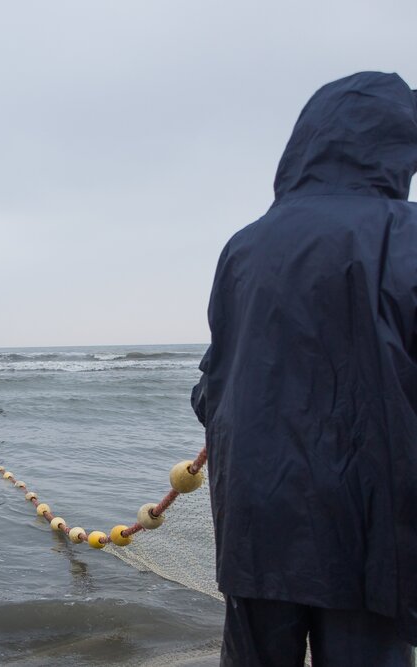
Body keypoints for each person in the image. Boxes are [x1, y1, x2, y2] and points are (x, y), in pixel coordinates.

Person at [191, 72, 417, 665]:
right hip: (368, 525)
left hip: (254, 522)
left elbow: (213, 383)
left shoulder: (243, 246)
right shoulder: (405, 233)